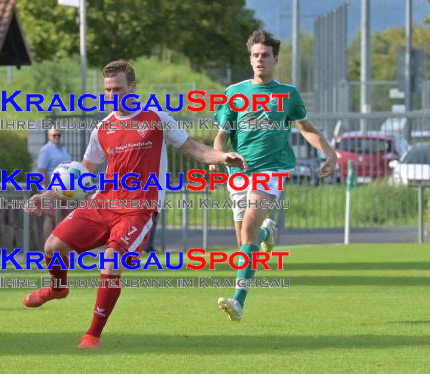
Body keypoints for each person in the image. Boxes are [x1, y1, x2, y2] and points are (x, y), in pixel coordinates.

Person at [23, 59, 247, 349]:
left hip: (139, 209)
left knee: (111, 260)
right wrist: (46, 196)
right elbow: (83, 171)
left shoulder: (157, 119)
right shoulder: (102, 128)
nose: (112, 95)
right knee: (53, 246)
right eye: (107, 90)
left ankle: (92, 334)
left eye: (117, 88)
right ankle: (58, 287)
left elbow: (195, 150)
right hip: (103, 202)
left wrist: (223, 157)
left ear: (133, 87)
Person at [211, 31, 337, 322]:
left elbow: (306, 128)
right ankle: (269, 232)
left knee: (250, 228)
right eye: (255, 55)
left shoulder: (288, 94)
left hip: (271, 169)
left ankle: (238, 301)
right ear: (250, 58)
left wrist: (330, 154)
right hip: (238, 172)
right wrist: (218, 158)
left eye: (265, 55)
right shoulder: (234, 93)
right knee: (245, 238)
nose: (260, 60)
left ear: (275, 59)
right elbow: (221, 136)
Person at [36, 128, 72, 239]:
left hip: (65, 188)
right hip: (52, 188)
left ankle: (62, 246)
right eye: (54, 135)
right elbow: (42, 170)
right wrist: (48, 188)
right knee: (50, 216)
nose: (57, 137)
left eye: (59, 135)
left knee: (66, 217)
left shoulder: (62, 148)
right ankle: (48, 248)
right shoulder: (46, 150)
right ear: (49, 136)